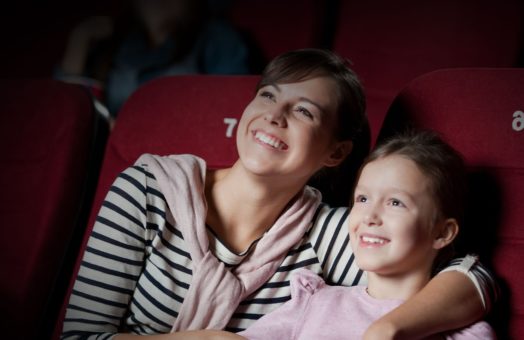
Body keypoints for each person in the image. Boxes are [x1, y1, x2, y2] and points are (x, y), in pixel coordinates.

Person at [61, 49, 495, 339]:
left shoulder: (325, 231)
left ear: (335, 153)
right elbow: (80, 336)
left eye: (303, 110)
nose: (274, 115)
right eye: (268, 95)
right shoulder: (149, 190)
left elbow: (470, 275)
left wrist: (389, 330)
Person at [238, 130, 496, 339]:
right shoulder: (314, 303)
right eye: (362, 198)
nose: (369, 216)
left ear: (442, 232)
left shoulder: (464, 334)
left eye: (395, 202)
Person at [56, 0, 251, 119]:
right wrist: (78, 42)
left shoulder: (216, 37)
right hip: (98, 152)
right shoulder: (115, 40)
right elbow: (63, 111)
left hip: (168, 156)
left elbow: (232, 109)